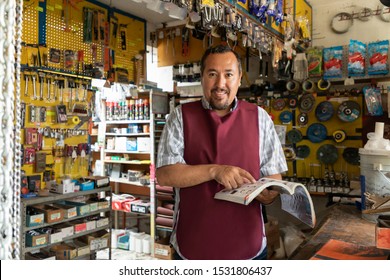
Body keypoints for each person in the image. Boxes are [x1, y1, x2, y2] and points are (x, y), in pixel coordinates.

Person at [156, 44, 288, 260]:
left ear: (239, 77)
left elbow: (273, 175)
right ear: (202, 77)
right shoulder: (180, 117)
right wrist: (215, 171)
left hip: (249, 247)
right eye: (212, 74)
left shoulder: (260, 117)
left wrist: (269, 194)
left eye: (228, 74)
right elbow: (165, 174)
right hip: (193, 246)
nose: (220, 84)